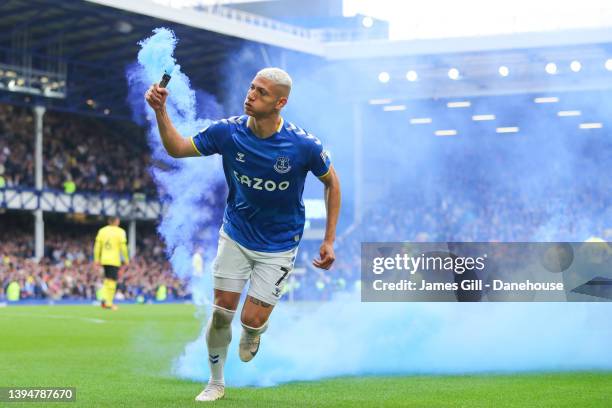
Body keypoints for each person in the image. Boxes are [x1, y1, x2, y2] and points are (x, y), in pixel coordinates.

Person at [145, 67, 341, 402]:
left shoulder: (303, 145)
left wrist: (329, 240)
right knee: (221, 312)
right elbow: (177, 148)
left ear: (280, 102)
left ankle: (254, 331)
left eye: (261, 92)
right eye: (251, 87)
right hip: (235, 234)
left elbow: (332, 184)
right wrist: (161, 111)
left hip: (280, 244)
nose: (251, 94)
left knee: (250, 320)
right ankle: (216, 382)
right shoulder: (228, 132)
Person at [94, 216, 129, 310]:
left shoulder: (102, 231)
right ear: (117, 221)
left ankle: (104, 300)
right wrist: (126, 259)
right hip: (114, 260)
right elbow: (123, 247)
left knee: (107, 280)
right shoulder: (120, 231)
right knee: (112, 281)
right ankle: (108, 302)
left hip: (104, 259)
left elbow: (97, 246)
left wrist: (96, 259)